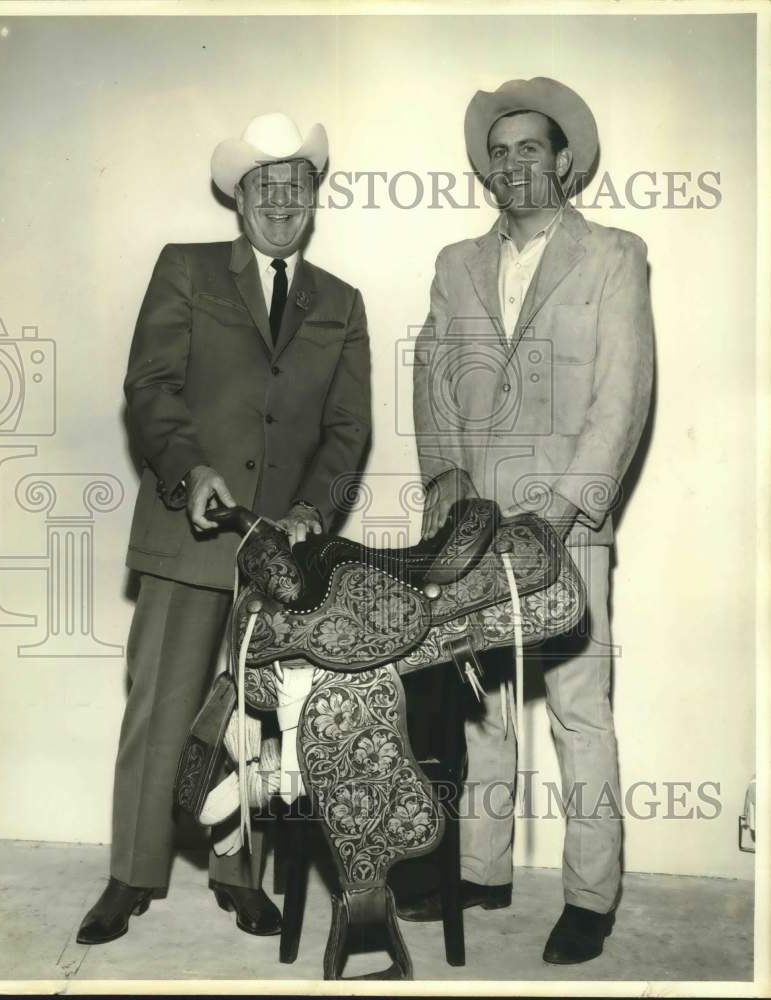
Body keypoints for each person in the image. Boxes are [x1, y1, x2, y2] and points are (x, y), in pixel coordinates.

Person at [77, 112, 372, 945]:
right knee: (162, 706)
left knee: (257, 714)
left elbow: (348, 431)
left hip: (282, 554)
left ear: (313, 201)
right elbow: (150, 386)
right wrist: (188, 470)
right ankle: (130, 875)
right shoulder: (186, 269)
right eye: (262, 188)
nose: (279, 201)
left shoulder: (342, 304)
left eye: (295, 188)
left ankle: (240, 879)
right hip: (190, 529)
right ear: (238, 202)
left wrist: (316, 510)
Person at [406, 77, 653, 964]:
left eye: (529, 149)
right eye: (498, 151)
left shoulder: (614, 254)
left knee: (579, 710)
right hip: (473, 526)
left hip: (567, 523)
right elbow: (430, 376)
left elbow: (622, 394)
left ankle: (590, 896)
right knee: (484, 709)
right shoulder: (455, 264)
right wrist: (440, 472)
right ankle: (481, 872)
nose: (512, 164)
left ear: (563, 162)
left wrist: (559, 508)